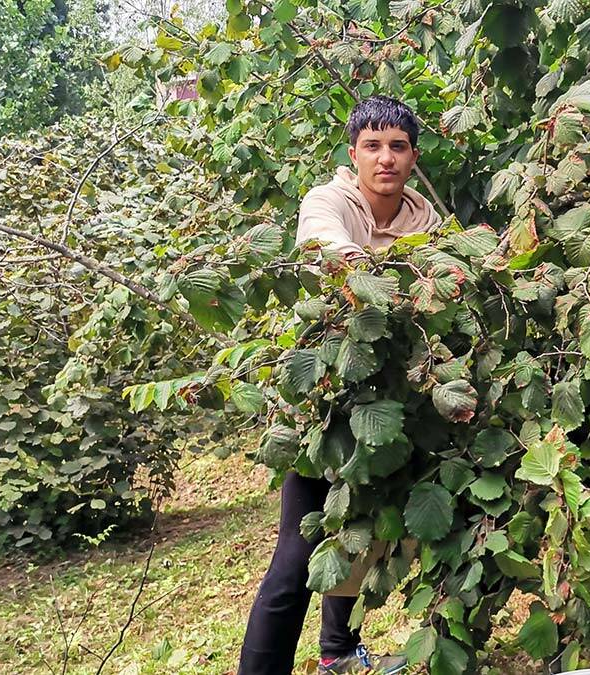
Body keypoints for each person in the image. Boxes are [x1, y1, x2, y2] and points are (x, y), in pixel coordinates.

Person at [238, 95, 440, 675]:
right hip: (324, 404)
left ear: (412, 156)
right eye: (372, 147)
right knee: (296, 559)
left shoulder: (425, 223)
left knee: (367, 530)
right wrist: (356, 264)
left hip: (393, 398)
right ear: (354, 155)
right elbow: (319, 237)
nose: (386, 159)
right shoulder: (330, 200)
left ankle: (337, 651)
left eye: (397, 147)